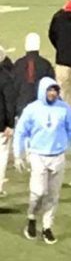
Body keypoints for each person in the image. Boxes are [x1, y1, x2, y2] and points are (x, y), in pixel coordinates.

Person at [13, 77, 71, 245]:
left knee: (53, 194)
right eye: (49, 90)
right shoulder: (32, 109)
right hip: (37, 155)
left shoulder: (64, 109)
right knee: (38, 192)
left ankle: (47, 227)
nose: (52, 93)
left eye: (55, 90)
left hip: (58, 155)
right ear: (43, 91)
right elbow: (20, 131)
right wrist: (18, 154)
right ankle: (31, 216)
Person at [12, 33, 55, 120]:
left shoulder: (18, 64)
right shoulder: (46, 64)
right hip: (42, 108)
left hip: (21, 108)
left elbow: (12, 89)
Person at [0, 46, 15, 195]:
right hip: (1, 125)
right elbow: (9, 103)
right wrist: (10, 124)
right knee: (2, 156)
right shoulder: (5, 78)